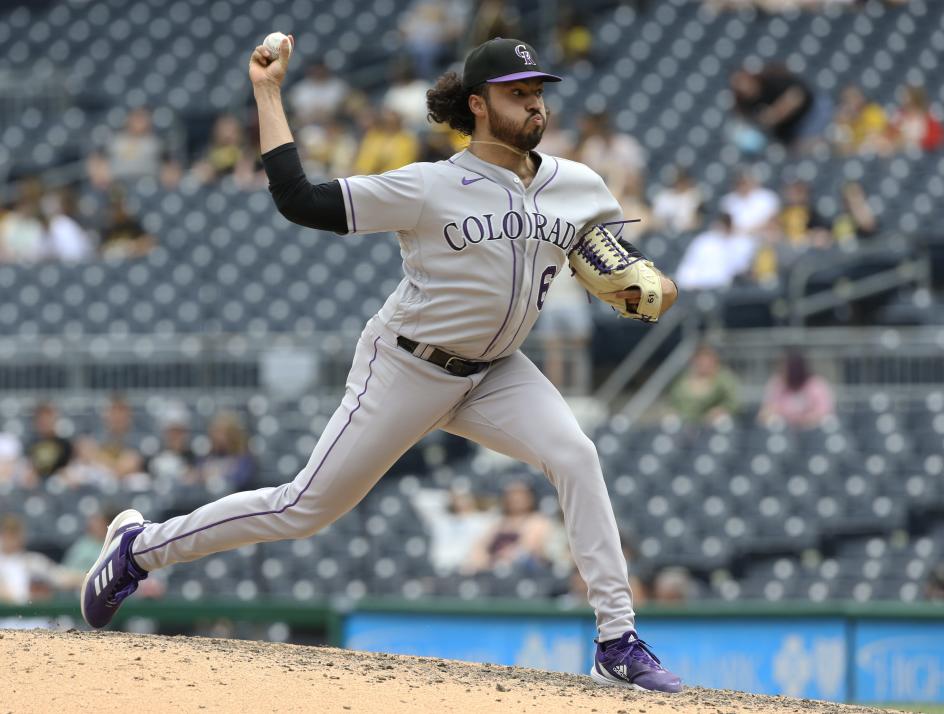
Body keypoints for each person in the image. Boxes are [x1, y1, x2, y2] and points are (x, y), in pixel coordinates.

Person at [79, 35, 681, 694]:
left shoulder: (578, 184)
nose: (534, 104)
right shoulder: (429, 185)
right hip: (406, 367)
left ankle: (616, 641)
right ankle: (140, 547)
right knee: (304, 508)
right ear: (478, 105)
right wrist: (267, 93)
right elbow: (299, 200)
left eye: (537, 92)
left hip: (499, 371)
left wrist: (648, 287)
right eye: (518, 94)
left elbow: (618, 261)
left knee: (577, 455)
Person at [463, 481, 554, 574]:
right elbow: (480, 546)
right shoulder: (497, 522)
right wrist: (481, 561)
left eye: (520, 495)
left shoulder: (538, 520)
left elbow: (526, 548)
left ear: (530, 498)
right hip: (493, 568)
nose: (515, 499)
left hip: (522, 570)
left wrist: (502, 560)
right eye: (511, 495)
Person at [0, 515, 83, 605]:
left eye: (15, 534)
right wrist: (33, 597)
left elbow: (60, 576)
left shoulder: (31, 560)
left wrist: (86, 577)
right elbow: (6, 596)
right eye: (7, 534)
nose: (11, 539)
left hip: (29, 615)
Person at [674, 213, 755, 291]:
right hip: (698, 287)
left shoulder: (742, 243)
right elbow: (687, 269)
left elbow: (740, 269)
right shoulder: (704, 241)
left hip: (725, 289)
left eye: (727, 224)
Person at [758, 349, 835, 429]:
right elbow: (764, 414)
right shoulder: (777, 384)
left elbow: (825, 412)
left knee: (828, 421)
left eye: (785, 368)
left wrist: (803, 420)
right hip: (785, 431)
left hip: (812, 431)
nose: (781, 371)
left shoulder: (816, 385)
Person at [667, 344, 740, 425]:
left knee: (722, 420)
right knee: (670, 421)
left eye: (707, 360)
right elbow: (673, 400)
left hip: (711, 421)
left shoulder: (723, 378)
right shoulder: (683, 379)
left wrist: (721, 410)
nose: (704, 364)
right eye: (700, 360)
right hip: (685, 420)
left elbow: (734, 402)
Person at [25, 401, 74, 480]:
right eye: (41, 420)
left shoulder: (64, 444)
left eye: (48, 419)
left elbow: (67, 468)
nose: (45, 423)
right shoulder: (30, 443)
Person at [652, 167, 702, 234]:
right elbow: (655, 221)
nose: (679, 184)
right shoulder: (663, 196)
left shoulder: (693, 195)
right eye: (678, 181)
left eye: (682, 180)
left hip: (687, 233)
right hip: (665, 232)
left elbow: (696, 222)